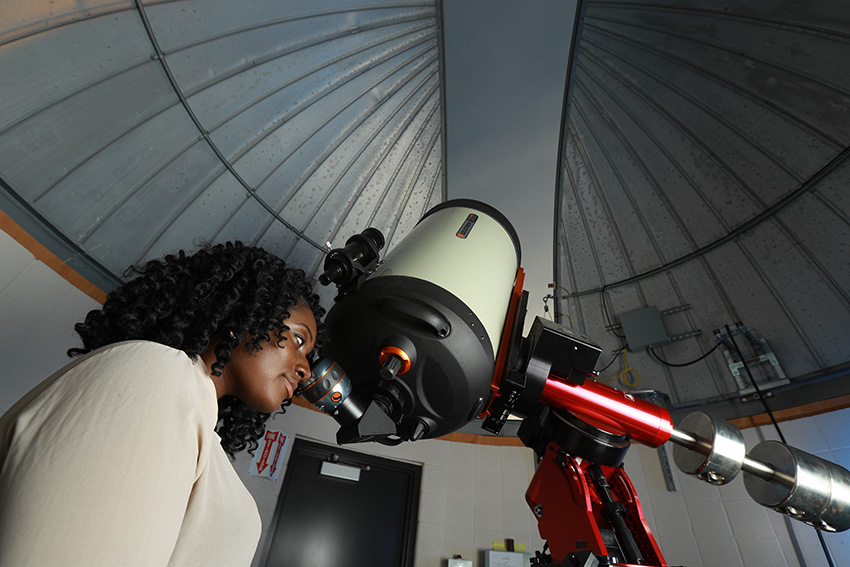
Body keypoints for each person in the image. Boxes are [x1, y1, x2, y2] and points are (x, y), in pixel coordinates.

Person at [0, 241, 324, 566]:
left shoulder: (188, 411)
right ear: (245, 315)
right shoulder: (157, 375)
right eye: (298, 339)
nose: (305, 369)